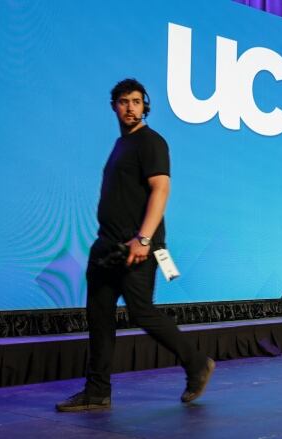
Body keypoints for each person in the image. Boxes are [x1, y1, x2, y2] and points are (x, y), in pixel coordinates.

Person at [56, 79, 215, 412]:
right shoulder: (121, 144)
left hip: (137, 247)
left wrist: (143, 238)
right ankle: (97, 391)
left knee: (141, 311)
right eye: (123, 101)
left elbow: (160, 190)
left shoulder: (150, 142)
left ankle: (197, 362)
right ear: (113, 105)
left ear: (146, 106)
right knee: (99, 318)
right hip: (107, 248)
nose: (130, 107)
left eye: (136, 102)